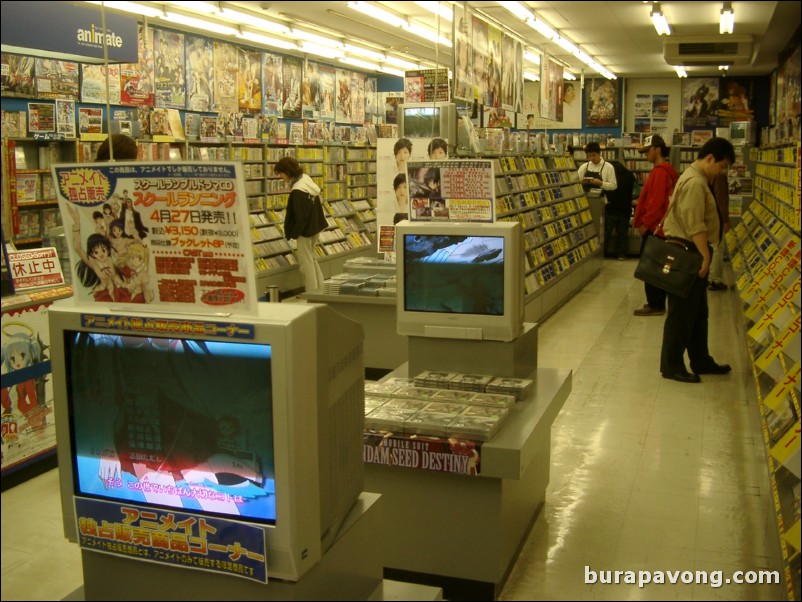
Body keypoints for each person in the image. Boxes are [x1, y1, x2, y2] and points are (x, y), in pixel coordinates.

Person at [659, 137, 735, 383]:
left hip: (693, 250)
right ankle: (671, 365)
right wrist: (704, 256)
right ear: (710, 158)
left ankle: (701, 359)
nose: (721, 172)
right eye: (721, 166)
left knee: (698, 312)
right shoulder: (695, 183)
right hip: (689, 252)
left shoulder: (698, 178)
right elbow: (695, 224)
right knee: (681, 313)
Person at [632, 135, 679, 316]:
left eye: (647, 151)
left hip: (655, 229)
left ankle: (655, 304)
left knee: (650, 268)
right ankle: (657, 303)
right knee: (657, 267)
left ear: (657, 149)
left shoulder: (660, 172)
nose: (645, 155)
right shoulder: (667, 171)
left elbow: (656, 201)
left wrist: (646, 223)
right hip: (662, 228)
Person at [273, 156, 327, 292]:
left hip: (305, 232)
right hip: (315, 227)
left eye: (281, 173)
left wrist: (293, 233)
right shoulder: (306, 180)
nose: (281, 177)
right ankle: (320, 288)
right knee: (312, 259)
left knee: (306, 263)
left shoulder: (298, 191)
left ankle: (312, 292)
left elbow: (300, 217)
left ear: (287, 171)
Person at [604, 160, 636, 260]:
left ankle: (603, 253)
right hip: (625, 208)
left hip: (611, 208)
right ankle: (621, 254)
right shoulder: (630, 175)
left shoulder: (610, 175)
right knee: (622, 233)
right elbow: (634, 191)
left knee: (606, 232)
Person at [707, 172, 730, 291]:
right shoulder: (719, 175)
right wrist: (725, 220)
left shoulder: (709, 173)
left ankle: (710, 277)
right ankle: (714, 279)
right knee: (718, 247)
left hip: (709, 216)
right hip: (717, 217)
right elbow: (721, 199)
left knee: (713, 246)